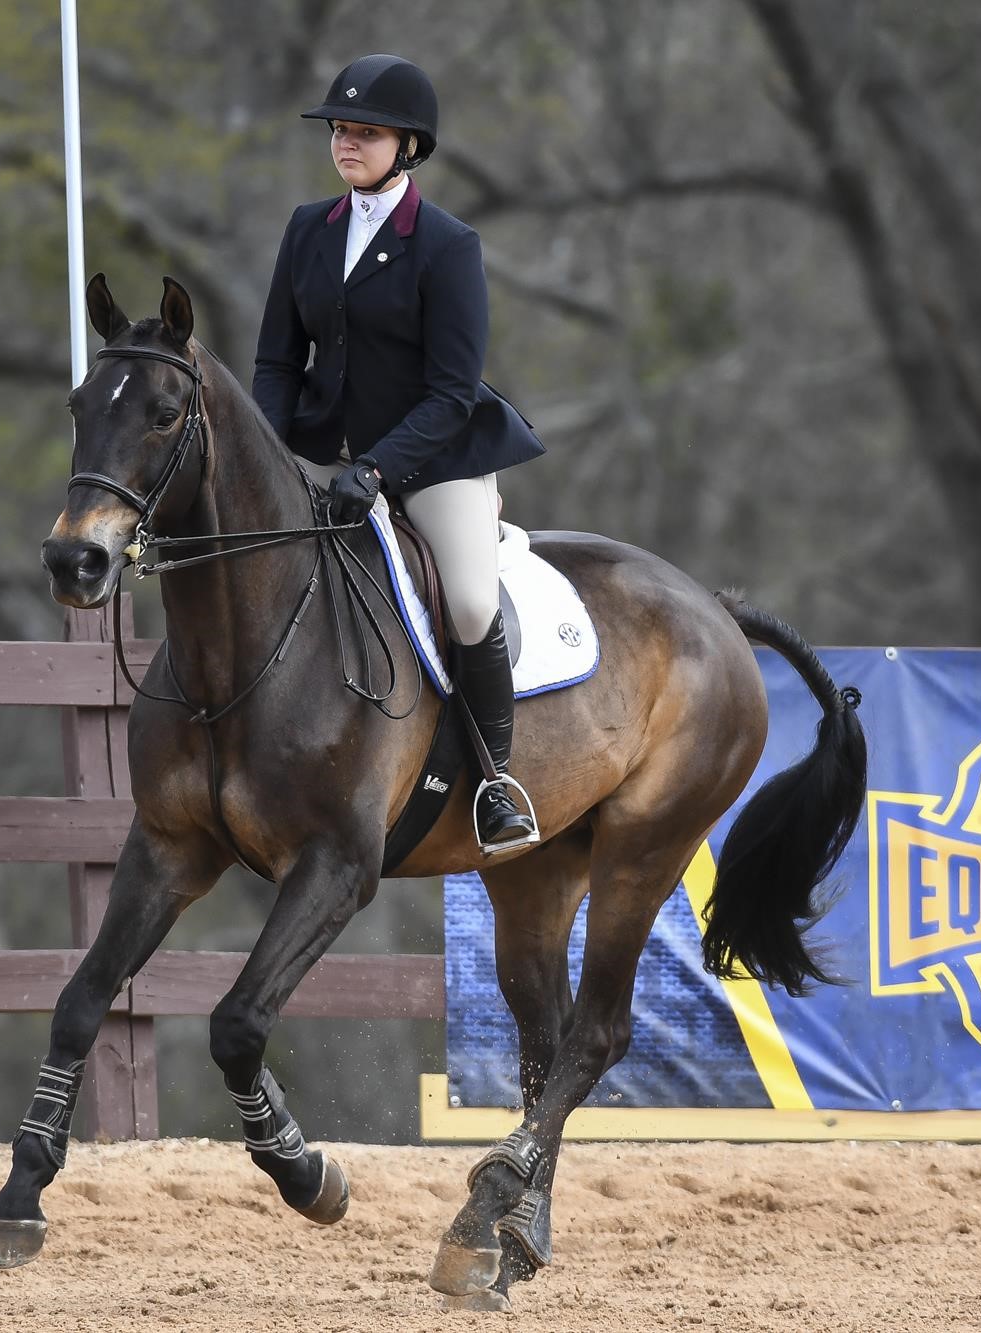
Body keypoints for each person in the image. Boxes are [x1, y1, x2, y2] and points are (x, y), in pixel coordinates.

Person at [252, 53, 546, 851]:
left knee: (471, 603)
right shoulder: (307, 229)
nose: (346, 143)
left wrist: (377, 468)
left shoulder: (447, 245)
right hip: (325, 451)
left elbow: (451, 392)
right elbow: (277, 363)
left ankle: (495, 783)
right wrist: (270, 452)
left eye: (366, 132)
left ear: (408, 146)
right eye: (338, 130)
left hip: (432, 456)